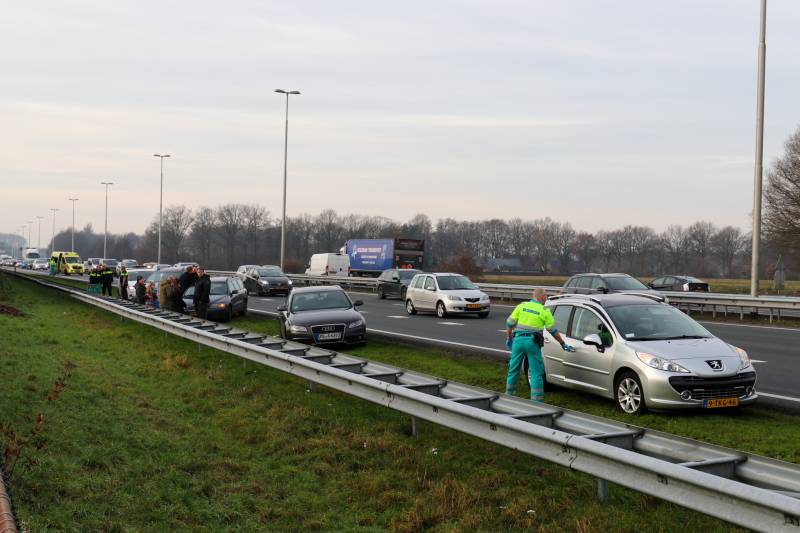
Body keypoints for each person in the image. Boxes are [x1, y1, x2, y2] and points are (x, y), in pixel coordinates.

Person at [505, 288, 575, 402]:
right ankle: (537, 402)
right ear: (541, 297)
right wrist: (562, 343)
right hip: (532, 343)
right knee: (536, 372)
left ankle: (508, 396)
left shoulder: (521, 306)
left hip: (518, 341)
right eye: (546, 297)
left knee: (513, 369)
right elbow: (553, 331)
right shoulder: (544, 311)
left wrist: (509, 338)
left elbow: (509, 324)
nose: (546, 299)